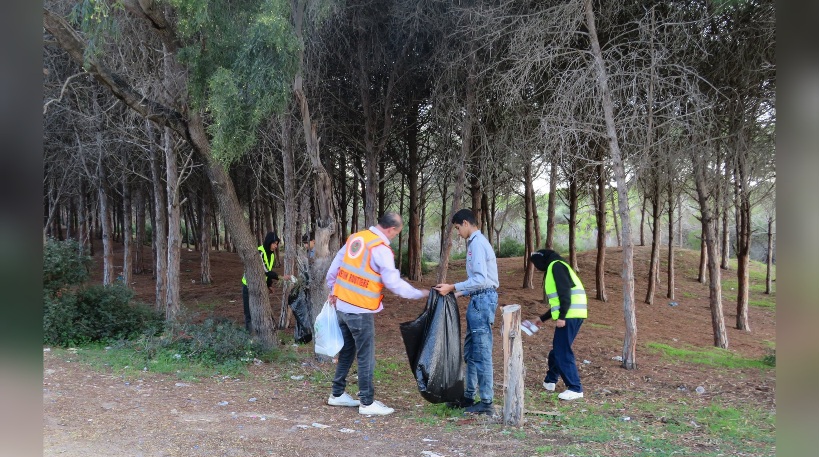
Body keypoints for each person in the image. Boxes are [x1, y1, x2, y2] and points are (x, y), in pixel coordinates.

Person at [325, 212, 430, 416]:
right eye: (395, 234)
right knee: (366, 356)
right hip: (360, 310)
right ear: (391, 229)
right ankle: (367, 402)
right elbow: (393, 283)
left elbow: (335, 267)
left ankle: (337, 394)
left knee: (347, 351)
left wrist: (333, 291)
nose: (393, 237)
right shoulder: (380, 249)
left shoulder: (357, 238)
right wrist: (418, 294)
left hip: (342, 305)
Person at [434, 208, 499, 416]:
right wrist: (456, 293)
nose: (458, 232)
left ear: (466, 223)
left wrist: (453, 287)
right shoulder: (475, 243)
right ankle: (469, 396)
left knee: (481, 352)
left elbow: (480, 279)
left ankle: (486, 402)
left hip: (483, 300)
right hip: (477, 300)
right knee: (471, 352)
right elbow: (478, 282)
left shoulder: (478, 244)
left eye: (457, 228)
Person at [527, 248, 587, 401]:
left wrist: (562, 317)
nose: (536, 267)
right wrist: (542, 318)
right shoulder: (557, 265)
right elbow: (557, 302)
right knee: (558, 349)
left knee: (562, 351)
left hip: (570, 315)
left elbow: (565, 293)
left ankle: (575, 388)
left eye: (535, 263)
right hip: (573, 314)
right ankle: (550, 380)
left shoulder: (556, 266)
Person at [241, 232, 292, 332]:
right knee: (248, 312)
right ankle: (249, 335)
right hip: (248, 285)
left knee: (259, 310)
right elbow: (265, 270)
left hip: (260, 285)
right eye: (274, 243)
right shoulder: (259, 252)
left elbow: (268, 269)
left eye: (277, 244)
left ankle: (259, 333)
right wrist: (281, 278)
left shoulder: (272, 255)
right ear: (269, 242)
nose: (276, 246)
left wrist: (269, 285)